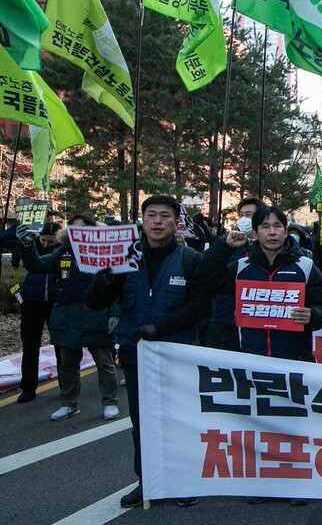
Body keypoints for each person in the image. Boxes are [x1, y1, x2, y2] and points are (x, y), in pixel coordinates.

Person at [203, 205, 322, 507]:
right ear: (256, 232)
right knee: (260, 424)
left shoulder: (304, 266)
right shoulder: (241, 267)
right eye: (265, 227)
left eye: (278, 226)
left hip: (295, 356)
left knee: (295, 423)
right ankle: (264, 482)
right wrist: (224, 246)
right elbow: (208, 277)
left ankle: (300, 483)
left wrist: (311, 315)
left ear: (286, 230)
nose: (272, 232)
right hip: (253, 357)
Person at [86, 195, 210, 508]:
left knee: (179, 419)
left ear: (175, 222)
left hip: (177, 352)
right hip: (135, 352)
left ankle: (183, 481)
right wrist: (101, 283)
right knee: (142, 422)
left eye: (165, 216)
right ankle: (147, 481)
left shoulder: (190, 259)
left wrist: (162, 327)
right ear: (142, 220)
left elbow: (199, 306)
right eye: (151, 215)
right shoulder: (123, 258)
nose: (157, 221)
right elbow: (96, 303)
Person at [18, 217, 121, 421]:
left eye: (83, 228)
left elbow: (116, 283)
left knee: (105, 362)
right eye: (74, 228)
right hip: (67, 315)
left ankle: (110, 402)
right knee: (67, 364)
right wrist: (27, 244)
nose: (78, 231)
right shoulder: (64, 251)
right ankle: (69, 403)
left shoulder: (104, 250)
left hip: (96, 314)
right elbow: (38, 265)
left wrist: (115, 312)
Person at [206, 197, 263, 352]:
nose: (244, 219)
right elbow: (209, 271)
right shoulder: (230, 245)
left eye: (249, 214)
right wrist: (224, 246)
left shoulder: (268, 248)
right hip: (225, 318)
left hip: (255, 321)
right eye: (242, 214)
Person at [14, 222, 60, 403]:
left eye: (52, 242)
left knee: (61, 347)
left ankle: (66, 386)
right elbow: (32, 264)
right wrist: (24, 242)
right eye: (44, 240)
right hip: (32, 302)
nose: (47, 245)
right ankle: (28, 387)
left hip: (56, 303)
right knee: (30, 346)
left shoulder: (63, 251)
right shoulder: (30, 247)